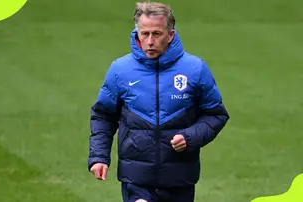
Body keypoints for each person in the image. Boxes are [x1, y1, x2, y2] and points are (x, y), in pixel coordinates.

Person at [88, 1, 230, 202]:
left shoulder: (195, 69)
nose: (149, 41)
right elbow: (103, 115)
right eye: (144, 34)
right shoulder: (120, 70)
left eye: (156, 34)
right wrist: (99, 157)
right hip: (136, 179)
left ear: (170, 35)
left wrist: (191, 137)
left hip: (179, 178)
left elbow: (216, 115)